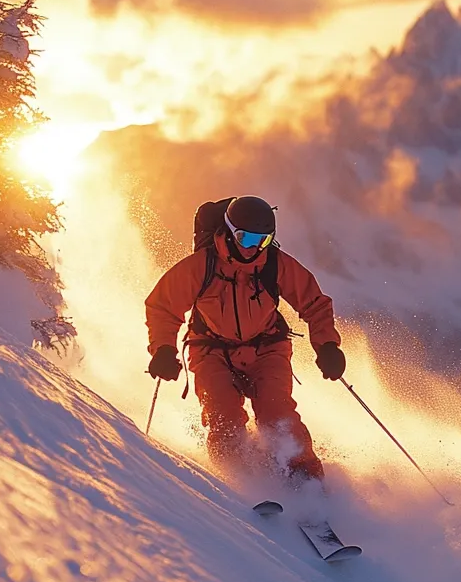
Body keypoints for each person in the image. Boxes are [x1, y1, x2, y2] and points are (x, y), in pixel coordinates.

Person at [145, 195, 345, 482]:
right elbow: (163, 306)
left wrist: (327, 346)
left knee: (277, 415)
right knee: (223, 420)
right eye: (246, 238)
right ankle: (238, 480)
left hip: (267, 347)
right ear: (229, 231)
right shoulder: (202, 266)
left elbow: (314, 303)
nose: (253, 248)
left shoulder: (274, 265)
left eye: (262, 241)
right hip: (210, 349)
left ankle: (305, 477)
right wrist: (163, 349)